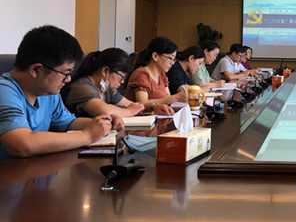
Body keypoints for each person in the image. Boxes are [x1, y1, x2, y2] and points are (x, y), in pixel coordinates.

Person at [0, 26, 123, 159]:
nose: (68, 79)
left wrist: (104, 122)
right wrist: (87, 135)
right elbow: (22, 145)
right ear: (36, 70)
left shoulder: (47, 93)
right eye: (65, 73)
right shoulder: (4, 90)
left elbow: (68, 123)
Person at [63, 48, 145, 118]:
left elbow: (133, 105)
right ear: (105, 71)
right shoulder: (82, 87)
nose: (122, 81)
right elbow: (105, 111)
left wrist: (145, 107)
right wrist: (129, 111)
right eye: (121, 76)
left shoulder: (108, 89)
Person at [124, 37, 187, 115]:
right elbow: (142, 103)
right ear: (155, 56)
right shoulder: (141, 74)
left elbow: (167, 98)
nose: (172, 63)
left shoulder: (162, 75)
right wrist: (175, 98)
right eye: (170, 58)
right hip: (140, 119)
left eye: (174, 60)